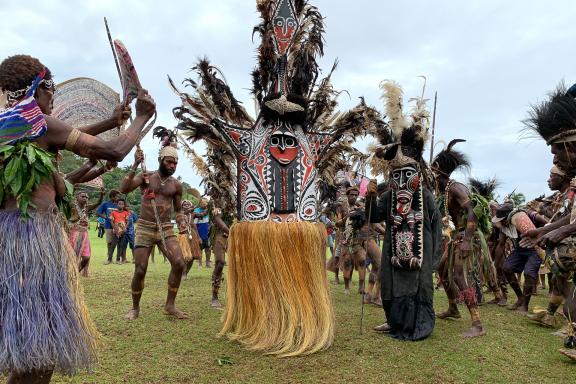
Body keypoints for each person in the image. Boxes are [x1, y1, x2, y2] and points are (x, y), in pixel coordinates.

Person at [0, 54, 155, 382]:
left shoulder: (9, 127)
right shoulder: (38, 123)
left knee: (28, 342)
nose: (53, 99)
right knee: (38, 349)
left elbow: (63, 135)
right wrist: (141, 119)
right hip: (32, 242)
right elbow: (113, 152)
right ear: (39, 87)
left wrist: (112, 121)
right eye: (51, 90)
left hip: (8, 244)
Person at [368, 80, 442, 341]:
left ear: (418, 174)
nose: (401, 181)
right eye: (396, 175)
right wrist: (369, 199)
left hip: (420, 253)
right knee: (389, 284)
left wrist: (434, 259)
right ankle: (393, 321)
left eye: (406, 174)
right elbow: (374, 216)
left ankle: (418, 324)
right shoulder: (388, 197)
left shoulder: (426, 198)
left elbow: (437, 228)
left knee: (419, 287)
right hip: (392, 250)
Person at [433, 140, 499, 338]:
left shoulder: (456, 188)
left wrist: (468, 240)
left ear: (437, 171)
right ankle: (453, 308)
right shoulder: (445, 191)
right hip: (458, 236)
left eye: (432, 172)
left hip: (468, 236)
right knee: (442, 269)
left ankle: (477, 323)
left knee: (459, 275)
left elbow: (472, 211)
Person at [121, 135, 188, 320]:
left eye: (175, 163)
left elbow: (178, 209)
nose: (173, 166)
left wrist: (181, 222)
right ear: (160, 160)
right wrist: (135, 164)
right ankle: (135, 308)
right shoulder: (146, 177)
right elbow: (124, 189)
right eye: (169, 162)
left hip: (165, 228)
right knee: (140, 269)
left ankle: (170, 305)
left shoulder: (176, 185)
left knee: (179, 263)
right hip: (144, 226)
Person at [492, 203, 541, 314]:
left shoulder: (527, 215)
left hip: (535, 248)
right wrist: (497, 264)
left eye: (503, 219)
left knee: (529, 273)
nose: (502, 222)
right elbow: (501, 244)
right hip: (520, 249)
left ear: (508, 216)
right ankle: (520, 298)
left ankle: (525, 306)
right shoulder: (504, 227)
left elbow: (547, 224)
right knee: (507, 268)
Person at [69, 188, 104, 277]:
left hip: (84, 234)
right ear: (77, 197)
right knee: (72, 256)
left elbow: (98, 203)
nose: (85, 198)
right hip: (73, 233)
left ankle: (76, 271)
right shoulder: (72, 206)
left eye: (87, 197)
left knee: (86, 257)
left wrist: (101, 195)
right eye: (83, 196)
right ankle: (72, 273)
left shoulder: (87, 207)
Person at [209, 204, 232, 308]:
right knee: (220, 262)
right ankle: (215, 296)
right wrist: (230, 231)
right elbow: (217, 219)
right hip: (220, 234)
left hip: (237, 233)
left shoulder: (237, 197)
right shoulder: (215, 200)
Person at [180, 199, 203, 278]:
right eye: (184, 205)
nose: (186, 206)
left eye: (188, 205)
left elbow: (194, 226)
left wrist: (199, 237)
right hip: (183, 236)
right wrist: (195, 206)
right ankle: (182, 273)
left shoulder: (192, 214)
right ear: (182, 206)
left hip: (192, 236)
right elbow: (186, 212)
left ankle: (186, 273)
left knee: (193, 257)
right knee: (186, 256)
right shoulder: (180, 214)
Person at [97, 190, 120, 264]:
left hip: (118, 226)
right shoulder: (105, 204)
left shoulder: (119, 204)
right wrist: (106, 217)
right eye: (116, 196)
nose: (118, 197)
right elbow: (98, 212)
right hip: (108, 225)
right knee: (109, 242)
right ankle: (110, 257)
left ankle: (118, 258)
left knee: (116, 242)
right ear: (112, 196)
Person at [110, 198, 130, 264]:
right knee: (113, 245)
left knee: (120, 245)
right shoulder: (113, 212)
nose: (121, 205)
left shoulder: (126, 213)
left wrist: (124, 229)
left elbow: (127, 222)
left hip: (123, 231)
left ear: (124, 205)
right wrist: (115, 229)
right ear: (117, 204)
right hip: (115, 230)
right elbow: (111, 221)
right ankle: (109, 259)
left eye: (122, 204)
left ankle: (118, 260)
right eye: (119, 204)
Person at [194, 199, 211, 267]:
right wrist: (198, 236)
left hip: (207, 231)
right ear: (200, 203)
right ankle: (200, 264)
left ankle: (207, 263)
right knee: (200, 249)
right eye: (202, 203)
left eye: (205, 203)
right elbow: (194, 224)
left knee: (208, 248)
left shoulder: (209, 210)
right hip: (199, 231)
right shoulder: (196, 210)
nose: (204, 204)